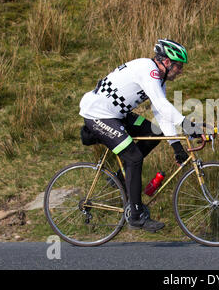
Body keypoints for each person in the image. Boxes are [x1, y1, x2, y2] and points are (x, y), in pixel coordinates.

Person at [79, 39, 200, 232]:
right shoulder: (149, 70)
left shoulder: (158, 79)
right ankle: (135, 216)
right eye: (178, 66)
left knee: (154, 132)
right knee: (134, 158)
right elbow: (161, 105)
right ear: (167, 62)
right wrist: (187, 124)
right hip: (98, 115)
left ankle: (120, 178)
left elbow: (160, 112)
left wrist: (176, 147)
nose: (181, 70)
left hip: (116, 115)